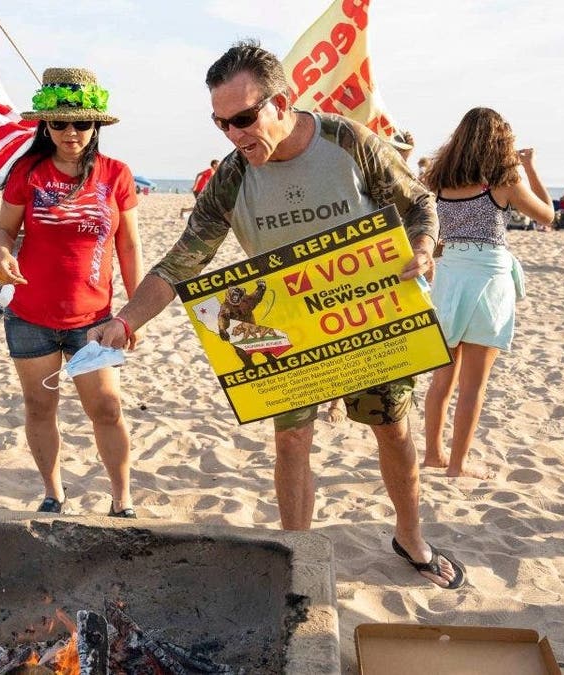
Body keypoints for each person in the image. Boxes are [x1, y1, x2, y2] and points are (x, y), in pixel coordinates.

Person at [90, 41, 466, 589]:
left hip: (370, 320)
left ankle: (411, 538)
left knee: (392, 430)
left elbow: (418, 203)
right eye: (222, 125)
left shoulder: (347, 141)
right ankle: (297, 554)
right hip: (286, 329)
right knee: (291, 441)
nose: (235, 135)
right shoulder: (232, 177)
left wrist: (425, 245)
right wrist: (126, 321)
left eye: (244, 119)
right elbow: (181, 262)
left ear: (282, 102)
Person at [0, 67, 144, 519]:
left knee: (108, 409)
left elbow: (129, 245)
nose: (71, 132)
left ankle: (122, 499)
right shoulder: (27, 171)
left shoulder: (116, 174)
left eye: (81, 122)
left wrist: (134, 314)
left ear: (96, 124)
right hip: (30, 319)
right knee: (40, 408)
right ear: (45, 125)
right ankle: (53, 494)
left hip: (94, 324)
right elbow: (3, 230)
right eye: (59, 123)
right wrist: (2, 257)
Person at [420, 107, 553, 480]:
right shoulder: (504, 181)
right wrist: (530, 169)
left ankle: (433, 455)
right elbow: (548, 216)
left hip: (448, 277)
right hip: (487, 279)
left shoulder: (439, 180)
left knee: (441, 381)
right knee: (473, 386)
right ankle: (458, 465)